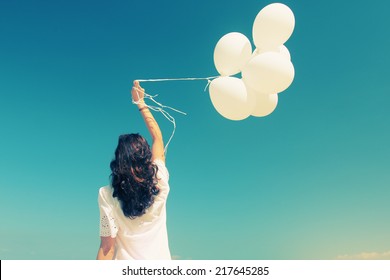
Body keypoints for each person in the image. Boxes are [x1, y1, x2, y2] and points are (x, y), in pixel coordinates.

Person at [96, 81, 171, 260]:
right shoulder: (160, 180)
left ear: (118, 161)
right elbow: (158, 138)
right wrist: (140, 102)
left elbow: (107, 248)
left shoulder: (107, 195)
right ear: (146, 157)